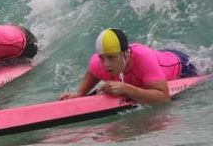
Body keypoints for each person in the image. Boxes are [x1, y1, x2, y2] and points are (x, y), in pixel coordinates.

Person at [59, 28, 198, 104]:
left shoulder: (143, 58)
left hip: (183, 66)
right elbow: (92, 72)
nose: (106, 64)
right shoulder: (99, 62)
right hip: (155, 65)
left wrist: (126, 89)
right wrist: (79, 94)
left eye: (111, 58)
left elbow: (163, 97)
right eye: (102, 58)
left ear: (126, 54)